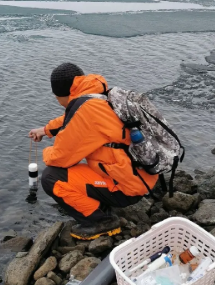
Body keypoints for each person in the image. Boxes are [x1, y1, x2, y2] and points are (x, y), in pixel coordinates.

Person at [29, 63, 158, 240]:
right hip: (145, 174)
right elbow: (70, 119)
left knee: (51, 177)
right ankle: (98, 201)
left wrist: (47, 151)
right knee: (75, 166)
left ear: (59, 96)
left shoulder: (85, 111)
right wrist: (46, 130)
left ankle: (101, 221)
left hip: (127, 187)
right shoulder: (100, 96)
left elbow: (58, 159)